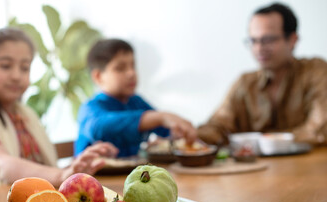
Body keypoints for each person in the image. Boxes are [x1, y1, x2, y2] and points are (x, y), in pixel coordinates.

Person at [0, 28, 118, 191]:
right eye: (5, 66)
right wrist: (61, 176)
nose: (16, 75)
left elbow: (38, 166)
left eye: (24, 68)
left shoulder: (24, 116)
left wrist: (77, 167)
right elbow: (2, 166)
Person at [197, 2, 327, 146]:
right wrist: (189, 134)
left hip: (310, 167)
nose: (259, 48)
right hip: (260, 168)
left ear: (292, 40)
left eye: (268, 40)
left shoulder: (316, 71)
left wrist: (261, 142)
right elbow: (218, 125)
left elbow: (320, 129)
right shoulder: (245, 83)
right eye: (253, 41)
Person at [75, 39, 197, 157]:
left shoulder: (136, 102)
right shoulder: (90, 107)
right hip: (95, 177)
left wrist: (174, 135)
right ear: (98, 77)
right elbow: (99, 127)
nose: (131, 73)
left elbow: (164, 129)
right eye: (120, 68)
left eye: (133, 66)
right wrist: (160, 117)